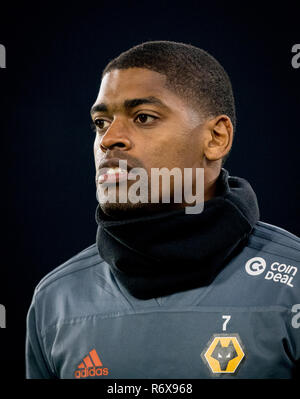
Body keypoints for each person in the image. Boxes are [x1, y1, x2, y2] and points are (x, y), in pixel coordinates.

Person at [26, 40, 300, 379]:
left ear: (215, 138)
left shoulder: (294, 284)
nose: (109, 139)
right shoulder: (56, 299)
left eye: (143, 117)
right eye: (100, 122)